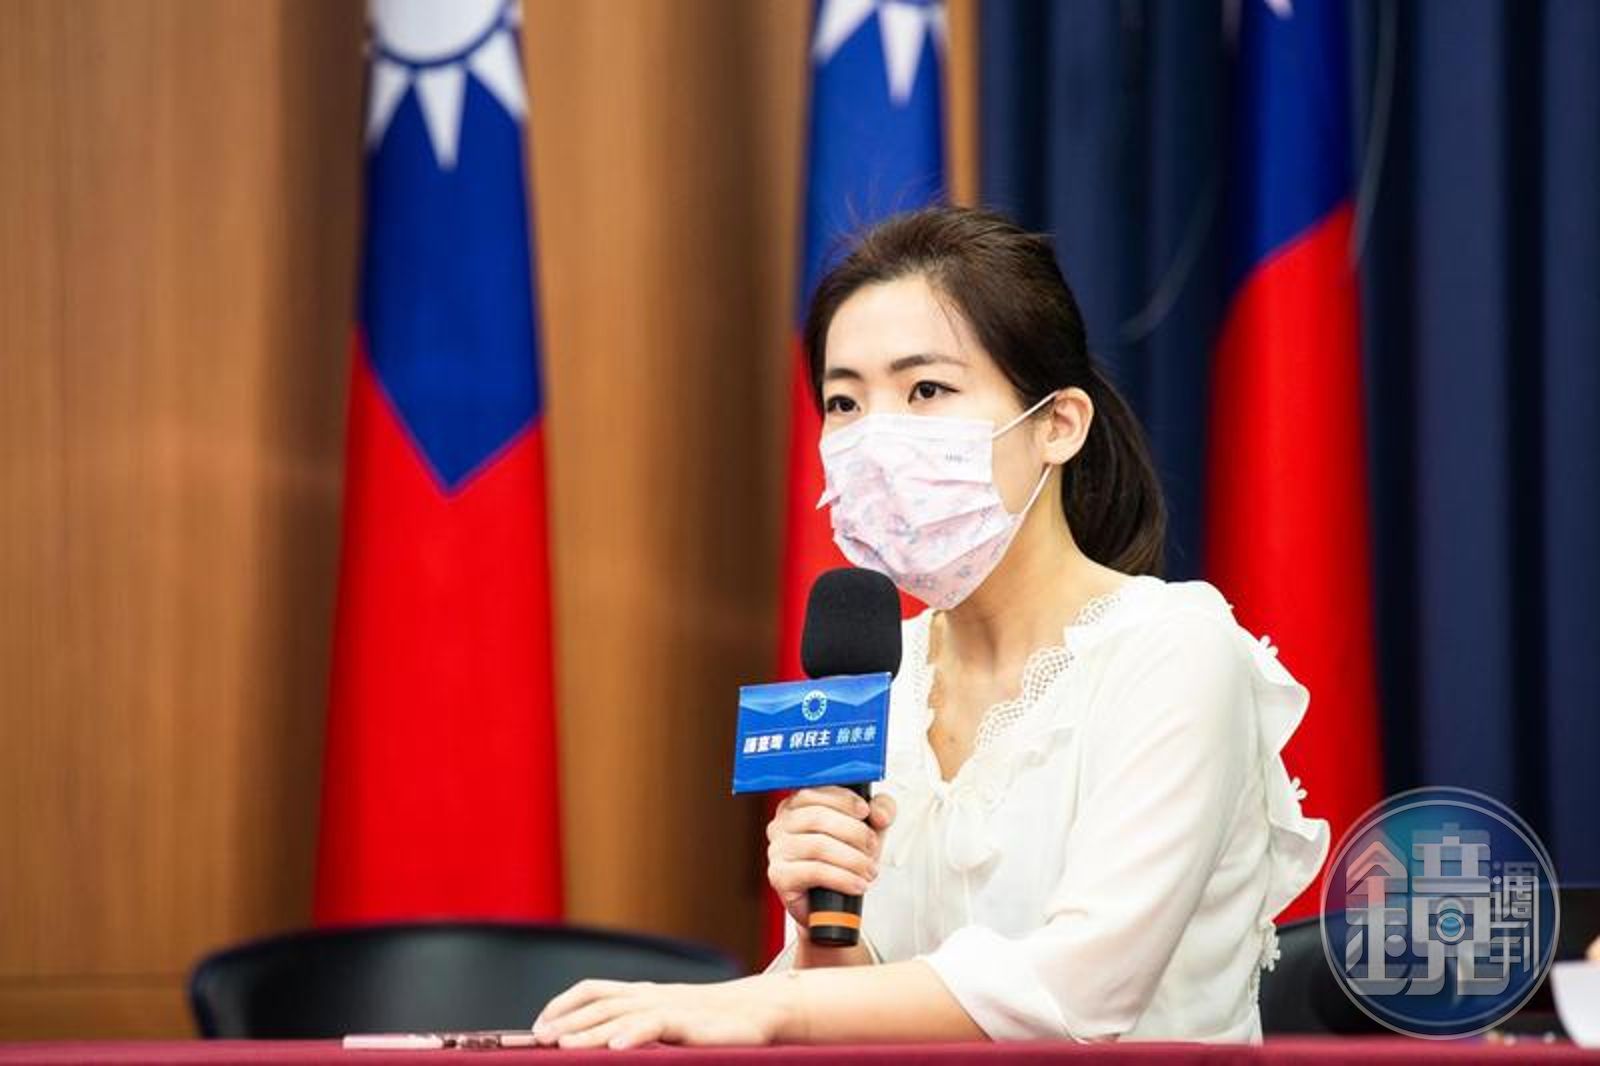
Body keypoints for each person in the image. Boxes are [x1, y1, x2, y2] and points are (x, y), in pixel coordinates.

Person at [531, 206, 1329, 1048]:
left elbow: (1080, 992)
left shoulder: (1173, 648)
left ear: (1058, 425)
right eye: (845, 402)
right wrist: (820, 927)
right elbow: (867, 1019)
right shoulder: (878, 674)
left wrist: (765, 1004)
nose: (878, 437)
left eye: (926, 391)